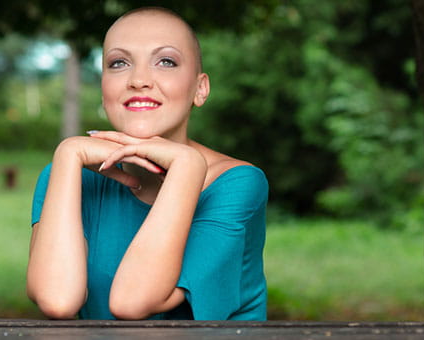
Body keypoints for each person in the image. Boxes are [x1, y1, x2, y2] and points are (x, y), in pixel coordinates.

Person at [27, 7, 268, 321]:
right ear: (104, 91)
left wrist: (186, 165)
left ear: (200, 88)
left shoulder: (237, 184)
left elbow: (132, 303)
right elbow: (57, 300)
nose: (138, 80)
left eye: (166, 61)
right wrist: (67, 153)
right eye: (119, 63)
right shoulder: (69, 174)